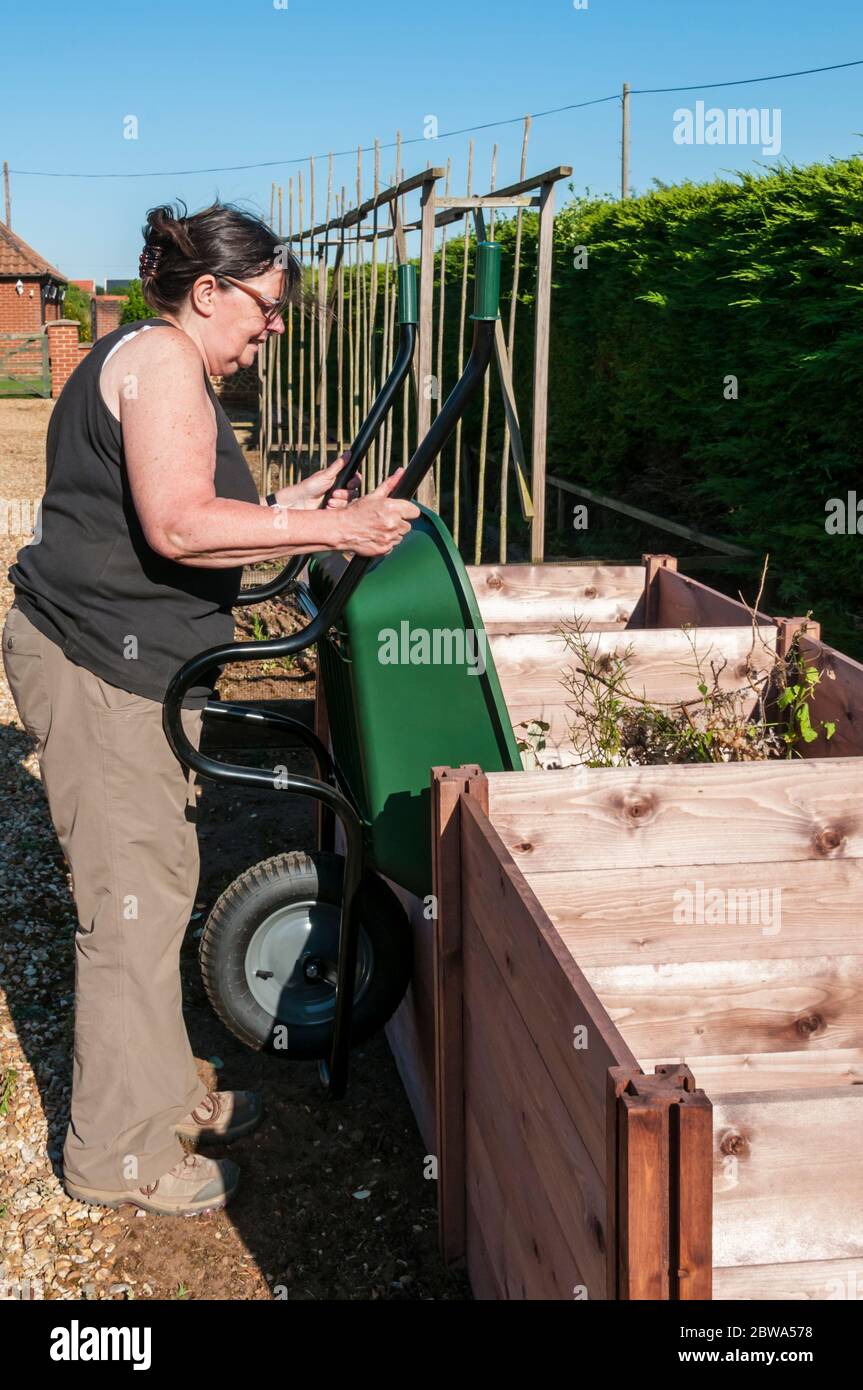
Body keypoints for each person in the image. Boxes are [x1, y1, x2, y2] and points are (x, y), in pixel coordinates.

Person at [2, 201, 419, 1216]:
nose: (272, 326)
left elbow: (200, 512)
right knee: (128, 910)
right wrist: (334, 523)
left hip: (123, 662)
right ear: (207, 292)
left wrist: (308, 506)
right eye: (267, 307)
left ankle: (160, 1091)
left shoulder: (156, 359)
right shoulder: (161, 368)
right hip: (100, 664)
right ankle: (119, 1154)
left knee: (157, 879)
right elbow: (181, 524)